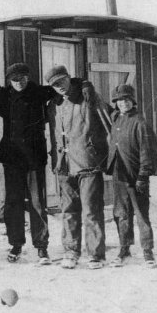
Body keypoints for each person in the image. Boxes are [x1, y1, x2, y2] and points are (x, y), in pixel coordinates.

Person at [0, 63, 58, 265]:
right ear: (9, 81)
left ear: (28, 78)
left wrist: (84, 84)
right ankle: (16, 244)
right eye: (14, 79)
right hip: (12, 158)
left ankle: (42, 246)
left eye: (22, 78)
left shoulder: (39, 92)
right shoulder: (5, 96)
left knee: (38, 202)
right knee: (13, 203)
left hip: (34, 157)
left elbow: (66, 85)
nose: (19, 82)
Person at [45, 64, 109, 270]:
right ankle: (71, 251)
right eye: (54, 85)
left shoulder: (87, 96)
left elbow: (106, 122)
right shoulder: (53, 104)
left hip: (87, 163)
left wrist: (106, 156)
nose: (60, 87)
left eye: (62, 81)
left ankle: (95, 255)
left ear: (68, 78)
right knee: (68, 210)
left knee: (91, 210)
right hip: (64, 165)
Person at [106, 84, 157, 268]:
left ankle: (147, 252)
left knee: (141, 214)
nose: (123, 103)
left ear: (132, 101)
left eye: (126, 100)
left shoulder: (140, 123)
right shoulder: (116, 120)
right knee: (121, 213)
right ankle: (124, 249)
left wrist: (143, 176)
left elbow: (147, 151)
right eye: (119, 101)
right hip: (118, 175)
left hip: (136, 177)